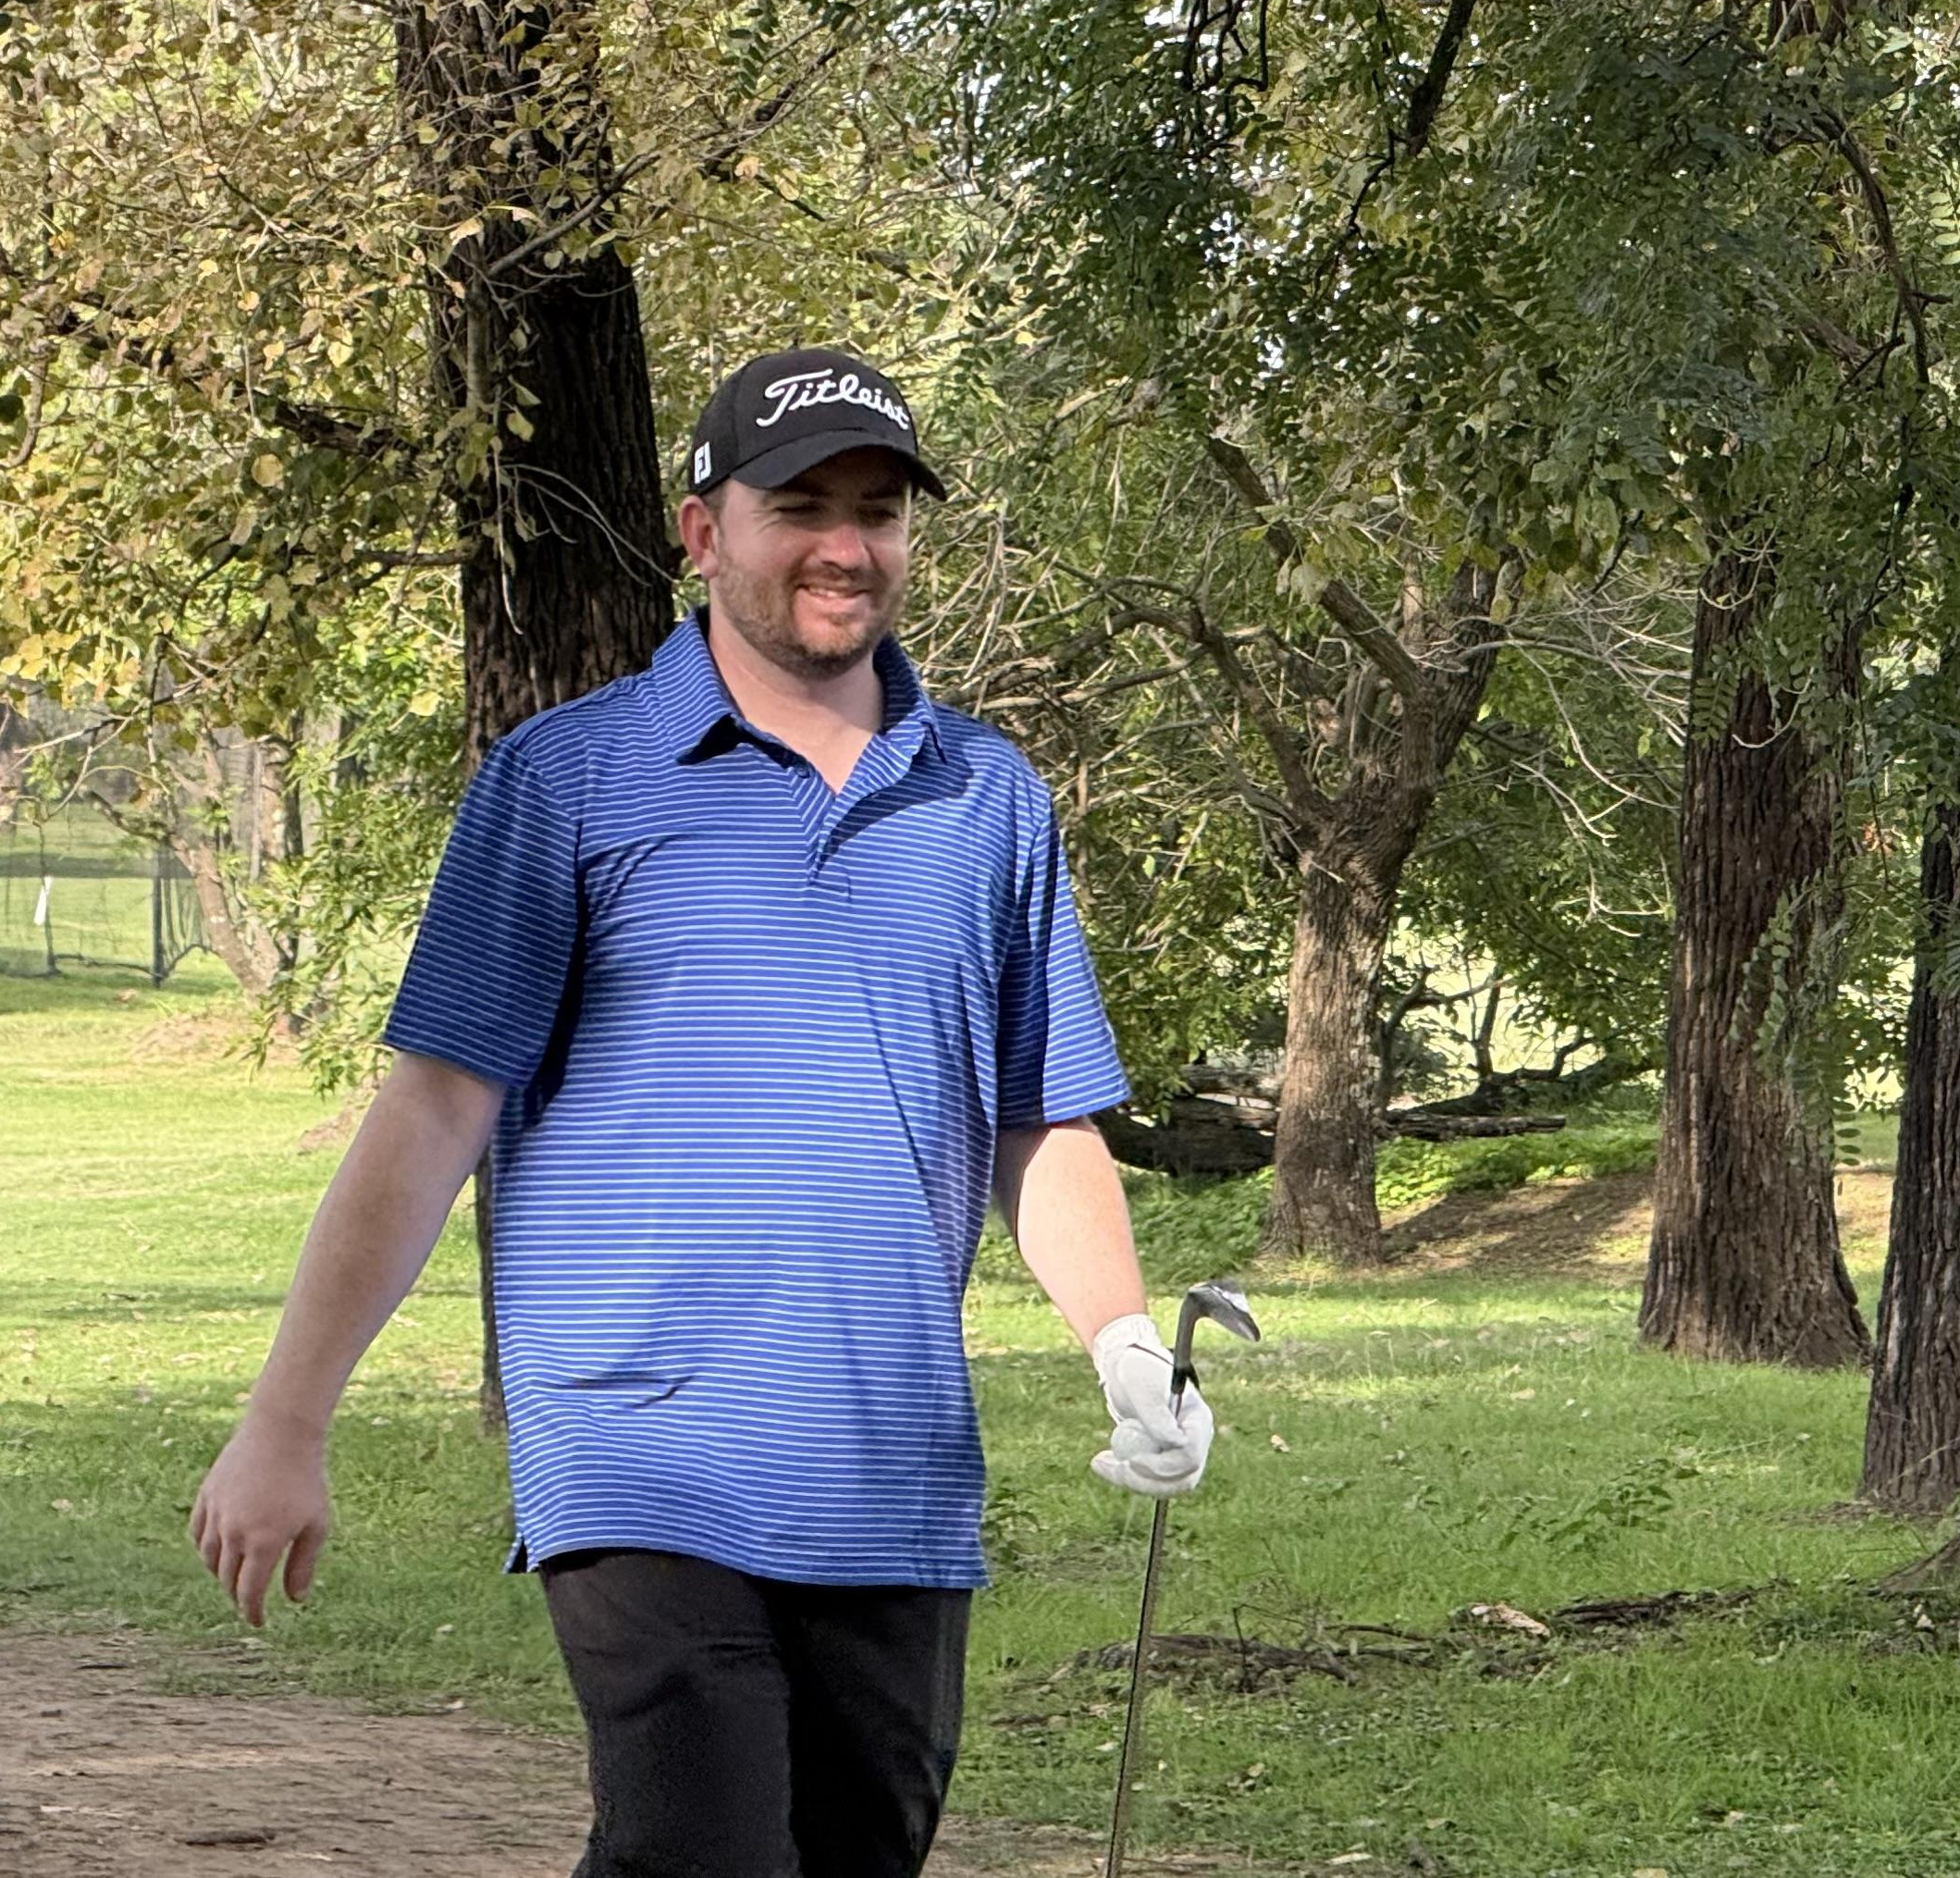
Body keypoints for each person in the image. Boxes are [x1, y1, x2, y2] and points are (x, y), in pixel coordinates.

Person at [190, 348, 1205, 1878]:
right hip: (638, 1444)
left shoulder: (987, 794)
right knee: (703, 1850)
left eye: (878, 510)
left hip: (888, 1462)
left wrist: (1123, 1341)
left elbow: (1038, 1122)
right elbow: (431, 1111)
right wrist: (285, 1420)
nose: (845, 546)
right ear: (699, 529)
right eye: (799, 504)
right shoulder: (570, 778)